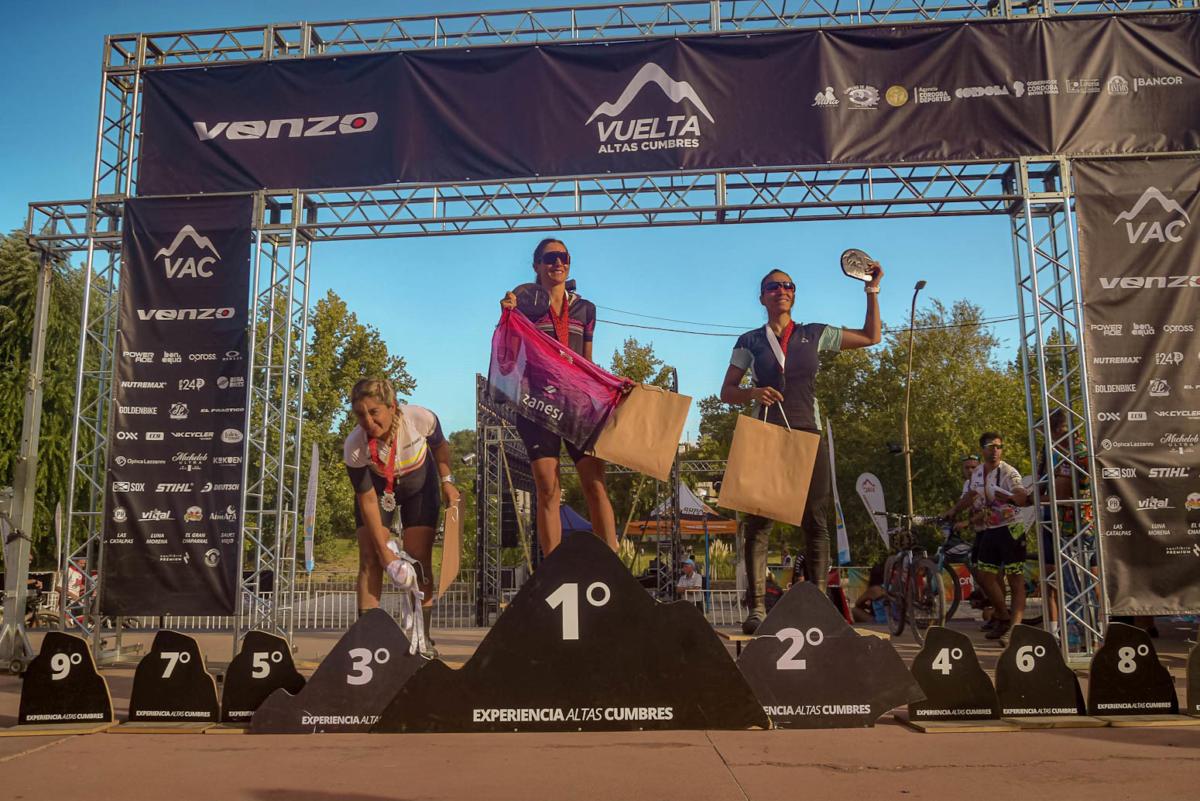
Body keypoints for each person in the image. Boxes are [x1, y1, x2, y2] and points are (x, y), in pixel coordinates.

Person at [720, 263, 884, 634]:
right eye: (773, 287)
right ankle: (756, 609)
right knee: (759, 523)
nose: (782, 290)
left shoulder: (814, 333)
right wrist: (752, 392)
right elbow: (726, 391)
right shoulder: (750, 341)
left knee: (815, 522)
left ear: (794, 294)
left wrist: (872, 291)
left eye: (788, 286)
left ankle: (818, 607)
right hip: (766, 434)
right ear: (762, 297)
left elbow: (871, 337)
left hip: (808, 434)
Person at [500, 238, 619, 556]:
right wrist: (506, 316)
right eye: (550, 257)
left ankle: (610, 563)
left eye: (564, 257)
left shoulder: (585, 309)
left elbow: (588, 362)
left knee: (595, 484)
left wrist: (613, 387)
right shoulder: (522, 307)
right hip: (538, 404)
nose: (558, 263)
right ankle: (553, 568)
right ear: (536, 265)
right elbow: (509, 356)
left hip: (578, 406)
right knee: (548, 488)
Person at [344, 377, 459, 656]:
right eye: (360, 414)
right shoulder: (354, 446)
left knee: (419, 561)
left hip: (419, 484)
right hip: (377, 489)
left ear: (392, 406)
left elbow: (440, 447)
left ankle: (422, 639)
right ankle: (367, 643)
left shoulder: (420, 418)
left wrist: (447, 481)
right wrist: (386, 554)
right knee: (371, 558)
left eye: (374, 412)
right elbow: (367, 500)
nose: (368, 421)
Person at [943, 431, 1029, 640]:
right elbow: (971, 495)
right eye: (991, 447)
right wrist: (954, 510)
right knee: (984, 576)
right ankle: (1003, 616)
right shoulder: (978, 472)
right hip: (990, 529)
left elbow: (1021, 493)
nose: (995, 451)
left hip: (1011, 529)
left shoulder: (1008, 471)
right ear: (982, 450)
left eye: (999, 447)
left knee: (1015, 579)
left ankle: (1015, 629)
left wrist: (1013, 497)